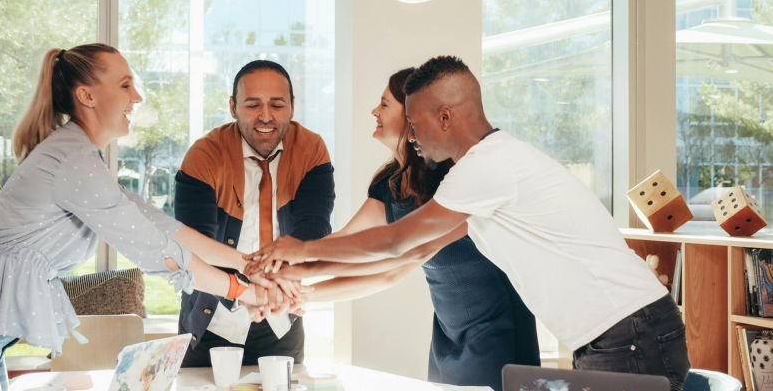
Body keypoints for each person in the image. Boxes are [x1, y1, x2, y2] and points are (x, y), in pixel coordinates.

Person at [250, 56, 691, 390]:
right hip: (614, 334)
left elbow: (397, 243)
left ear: (445, 116)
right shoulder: (479, 171)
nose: (413, 133)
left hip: (630, 332)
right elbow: (413, 249)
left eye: (417, 122)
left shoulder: (489, 167)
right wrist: (301, 282)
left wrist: (302, 249)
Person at [0, 44, 275, 391]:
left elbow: (159, 225)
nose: (137, 97)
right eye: (125, 85)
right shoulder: (73, 160)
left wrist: (247, 263)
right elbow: (152, 247)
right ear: (87, 96)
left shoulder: (79, 157)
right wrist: (240, 290)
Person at [272, 68, 540, 388]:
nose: (375, 111)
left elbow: (396, 260)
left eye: (384, 104)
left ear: (412, 113)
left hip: (494, 330)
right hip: (448, 333)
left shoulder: (454, 180)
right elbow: (352, 245)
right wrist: (293, 283)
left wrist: (296, 270)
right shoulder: (391, 184)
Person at [174, 60, 335, 367]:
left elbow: (313, 229)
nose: (266, 116)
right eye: (252, 105)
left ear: (292, 107)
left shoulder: (311, 149)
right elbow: (196, 243)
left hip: (280, 317)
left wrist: (275, 285)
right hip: (213, 317)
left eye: (277, 105)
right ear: (233, 107)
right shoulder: (204, 155)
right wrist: (253, 285)